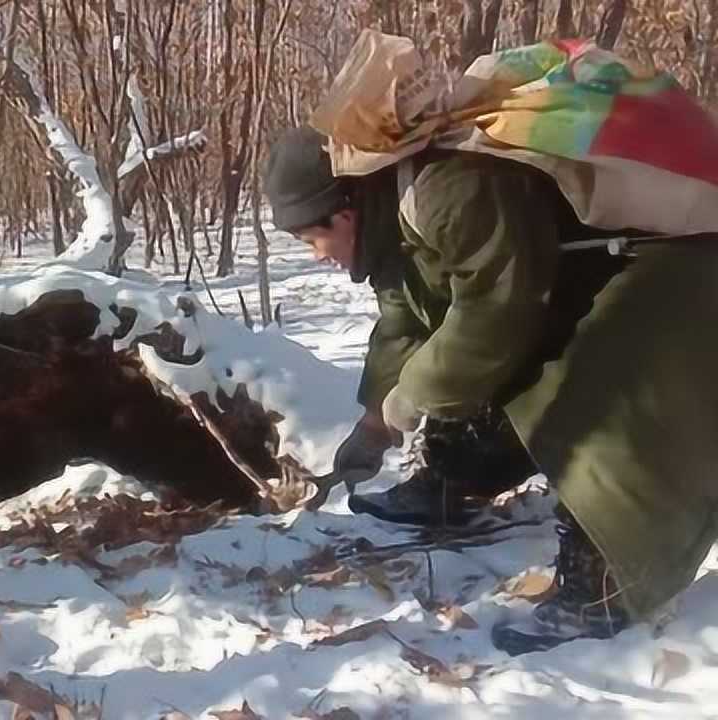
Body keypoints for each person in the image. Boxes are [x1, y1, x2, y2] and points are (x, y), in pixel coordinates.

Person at [265, 126, 718, 653]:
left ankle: (606, 584)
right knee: (468, 371)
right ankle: (453, 483)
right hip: (564, 295)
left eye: (310, 241)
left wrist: (410, 398)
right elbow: (406, 323)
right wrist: (374, 422)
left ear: (342, 215)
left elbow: (494, 315)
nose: (317, 256)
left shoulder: (449, 190)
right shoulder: (388, 220)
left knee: (585, 402)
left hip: (665, 274)